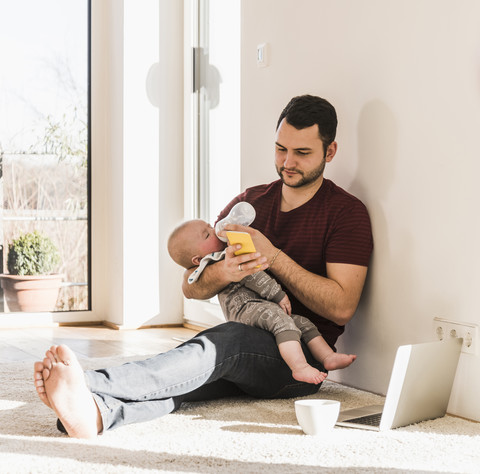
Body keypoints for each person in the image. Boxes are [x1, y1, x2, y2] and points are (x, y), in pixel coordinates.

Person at [33, 94, 373, 439]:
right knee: (189, 375)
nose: (287, 162)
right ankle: (96, 414)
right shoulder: (248, 202)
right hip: (247, 340)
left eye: (302, 153)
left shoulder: (346, 213)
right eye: (280, 149)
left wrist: (274, 257)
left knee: (221, 344)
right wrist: (223, 272)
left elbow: (342, 307)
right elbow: (191, 284)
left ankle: (86, 382)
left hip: (299, 362)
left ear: (329, 152)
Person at [168, 218, 357, 385]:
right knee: (278, 318)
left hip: (258, 307)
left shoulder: (214, 257)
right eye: (207, 234)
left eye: (210, 225)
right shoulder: (224, 257)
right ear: (197, 259)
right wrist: (278, 295)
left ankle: (327, 356)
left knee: (301, 323)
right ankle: (299, 366)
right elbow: (254, 276)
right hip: (245, 308)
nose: (216, 231)